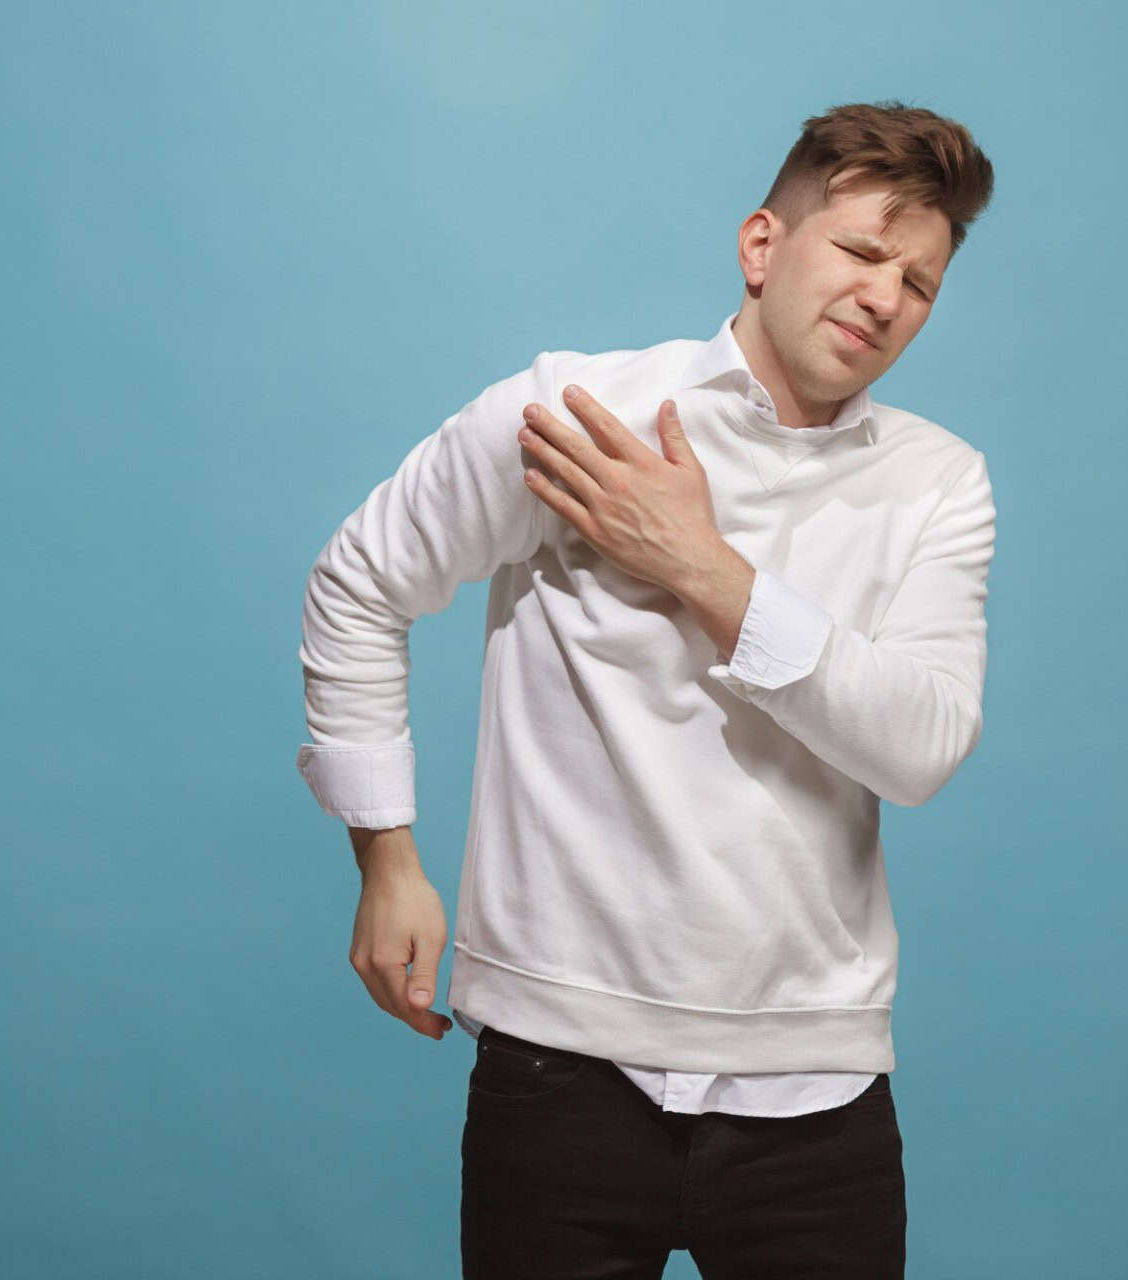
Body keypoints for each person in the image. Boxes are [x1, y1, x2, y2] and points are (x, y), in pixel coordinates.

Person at [295, 99, 996, 1278]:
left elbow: (921, 745)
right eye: (865, 252)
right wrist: (386, 854)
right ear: (762, 246)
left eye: (920, 283)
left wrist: (703, 568)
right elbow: (359, 580)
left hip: (814, 1088)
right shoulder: (579, 415)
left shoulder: (936, 483)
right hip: (557, 1067)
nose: (887, 298)